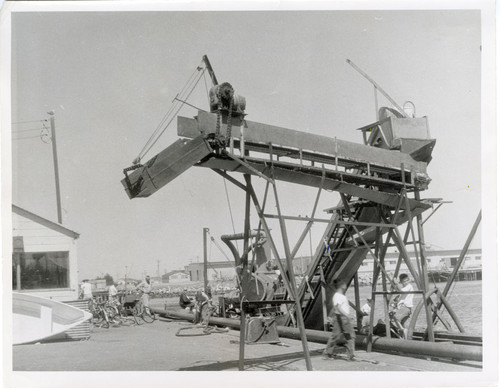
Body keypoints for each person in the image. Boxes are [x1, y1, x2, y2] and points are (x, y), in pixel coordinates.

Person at [323, 278, 355, 360]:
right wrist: (347, 316)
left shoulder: (338, 296)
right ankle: (350, 355)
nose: (346, 285)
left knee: (335, 336)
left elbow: (335, 309)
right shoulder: (338, 296)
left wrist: (331, 316)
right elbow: (338, 308)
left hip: (339, 318)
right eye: (344, 284)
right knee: (350, 336)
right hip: (343, 318)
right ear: (342, 286)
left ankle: (328, 353)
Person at [391, 273, 414, 338]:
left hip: (406, 307)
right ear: (401, 282)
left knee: (395, 318)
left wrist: (396, 283)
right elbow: (399, 292)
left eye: (407, 280)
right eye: (404, 281)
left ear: (409, 280)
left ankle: (403, 331)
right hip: (403, 307)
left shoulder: (409, 286)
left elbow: (401, 291)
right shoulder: (404, 288)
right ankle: (405, 337)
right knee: (402, 323)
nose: (406, 282)